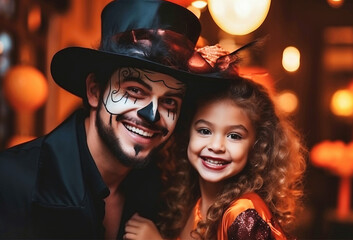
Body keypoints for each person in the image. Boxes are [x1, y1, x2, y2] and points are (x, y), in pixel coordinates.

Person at [0, 0, 205, 238]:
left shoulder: (167, 196)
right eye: (135, 90)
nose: (152, 115)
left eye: (169, 101)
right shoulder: (11, 181)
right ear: (95, 91)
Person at [124, 75, 307, 239]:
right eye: (204, 131)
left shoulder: (244, 214)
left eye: (234, 136)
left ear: (256, 146)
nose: (216, 146)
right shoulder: (194, 204)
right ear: (187, 135)